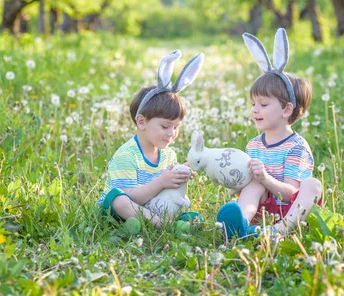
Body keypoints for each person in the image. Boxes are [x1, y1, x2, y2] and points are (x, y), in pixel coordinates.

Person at [217, 29, 322, 239]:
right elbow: (249, 187)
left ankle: (277, 232)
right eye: (253, 104)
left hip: (293, 213)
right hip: (263, 212)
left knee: (312, 184)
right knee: (253, 183)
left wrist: (265, 178)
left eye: (263, 104)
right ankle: (242, 225)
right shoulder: (254, 146)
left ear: (286, 110)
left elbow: (292, 194)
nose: (255, 109)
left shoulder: (296, 147)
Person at [97, 51, 205, 235]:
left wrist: (178, 177)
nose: (172, 133)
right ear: (141, 122)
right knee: (118, 200)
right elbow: (131, 198)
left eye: (176, 127)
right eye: (165, 126)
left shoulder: (169, 155)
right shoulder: (127, 155)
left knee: (195, 217)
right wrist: (162, 181)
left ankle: (143, 224)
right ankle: (165, 225)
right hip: (121, 210)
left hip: (153, 207)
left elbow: (165, 194)